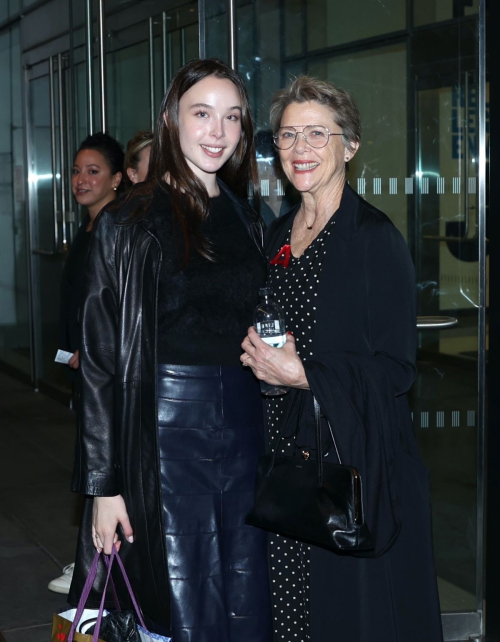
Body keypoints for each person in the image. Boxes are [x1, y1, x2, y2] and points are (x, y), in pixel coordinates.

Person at [68, 59, 273, 642]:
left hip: (242, 427)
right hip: (160, 435)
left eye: (231, 117)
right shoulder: (130, 219)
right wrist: (104, 487)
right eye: (201, 114)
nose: (217, 131)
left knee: (243, 594)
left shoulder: (246, 216)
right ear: (171, 121)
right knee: (179, 601)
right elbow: (102, 363)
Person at [241, 76, 444, 642]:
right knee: (295, 614)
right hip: (292, 460)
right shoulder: (278, 235)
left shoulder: (375, 240)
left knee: (350, 617)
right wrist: (268, 368)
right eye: (287, 136)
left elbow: (398, 368)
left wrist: (304, 374)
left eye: (316, 134)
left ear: (348, 146)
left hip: (357, 465)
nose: (300, 149)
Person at [48, 132, 123, 594]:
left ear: (118, 179)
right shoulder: (90, 227)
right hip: (85, 368)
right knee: (89, 459)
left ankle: (94, 565)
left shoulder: (115, 229)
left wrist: (92, 351)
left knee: (100, 462)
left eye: (93, 171)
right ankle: (91, 559)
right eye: (77, 171)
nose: (81, 179)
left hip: (105, 373)